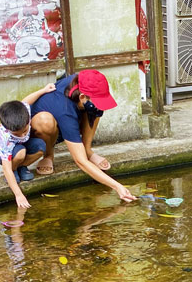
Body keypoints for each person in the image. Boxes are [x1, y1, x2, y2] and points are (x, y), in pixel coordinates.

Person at [29, 69, 136, 202]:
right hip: (44, 129)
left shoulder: (82, 81)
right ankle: (48, 155)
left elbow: (94, 102)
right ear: (82, 96)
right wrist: (117, 186)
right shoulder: (65, 110)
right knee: (45, 121)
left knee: (96, 107)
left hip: (70, 116)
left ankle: (87, 149)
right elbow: (80, 162)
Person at [0, 83, 56, 210]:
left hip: (21, 147)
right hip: (2, 153)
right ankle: (15, 170)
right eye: (17, 134)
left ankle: (21, 167)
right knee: (20, 152)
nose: (22, 134)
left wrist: (44, 90)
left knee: (41, 146)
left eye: (25, 131)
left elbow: (27, 100)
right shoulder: (5, 137)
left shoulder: (24, 111)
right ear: (8, 128)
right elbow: (6, 168)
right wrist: (19, 195)